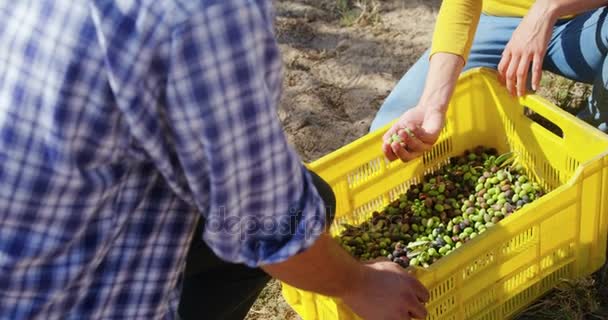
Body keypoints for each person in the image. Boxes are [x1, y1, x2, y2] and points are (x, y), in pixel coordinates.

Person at [0, 1, 429, 319]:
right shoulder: (202, 13)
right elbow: (267, 221)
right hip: (52, 298)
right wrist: (359, 283)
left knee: (313, 195)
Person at [370, 0, 608, 163]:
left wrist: (546, 9)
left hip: (586, 21)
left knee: (588, 155)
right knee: (391, 133)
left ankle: (591, 144)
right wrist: (431, 105)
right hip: (496, 20)